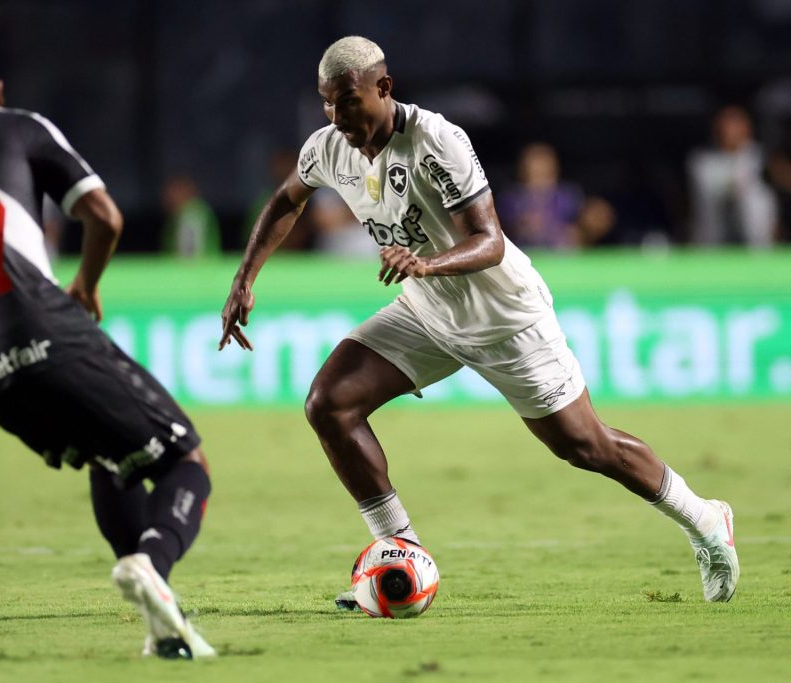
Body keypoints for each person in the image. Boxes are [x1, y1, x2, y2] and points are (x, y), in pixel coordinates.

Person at [219, 36, 739, 605]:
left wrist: (426, 263)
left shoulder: (436, 141)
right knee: (329, 404)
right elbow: (287, 200)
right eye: (327, 103)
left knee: (585, 446)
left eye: (347, 101)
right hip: (426, 311)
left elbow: (489, 240)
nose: (336, 116)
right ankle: (401, 552)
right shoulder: (328, 148)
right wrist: (245, 278)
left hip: (503, 317)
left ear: (383, 87)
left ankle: (705, 519)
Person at [0, 43, 214, 659]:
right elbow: (104, 217)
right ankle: (152, 563)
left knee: (112, 455)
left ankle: (163, 620)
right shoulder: (19, 127)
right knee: (185, 460)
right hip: (41, 327)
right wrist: (86, 284)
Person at [687, 105, 778, 247]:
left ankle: (761, 250)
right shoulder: (702, 161)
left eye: (737, 124)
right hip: (714, 235)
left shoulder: (759, 155)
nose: (732, 131)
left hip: (754, 237)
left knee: (757, 199)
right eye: (727, 125)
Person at [497, 142, 584, 249]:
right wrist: (522, 225)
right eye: (534, 165)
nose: (539, 169)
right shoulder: (510, 198)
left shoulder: (568, 195)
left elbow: (579, 228)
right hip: (524, 251)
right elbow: (503, 230)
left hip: (562, 253)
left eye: (543, 164)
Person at [161, 175, 221, 258]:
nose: (166, 198)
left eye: (173, 192)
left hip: (200, 264)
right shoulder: (181, 214)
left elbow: (190, 255)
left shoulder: (193, 213)